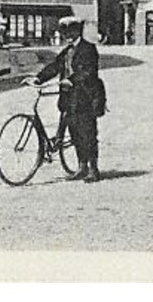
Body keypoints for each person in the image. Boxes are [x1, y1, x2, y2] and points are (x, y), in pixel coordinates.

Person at [32, 15, 104, 182]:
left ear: (78, 31)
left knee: (88, 133)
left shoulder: (89, 49)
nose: (68, 36)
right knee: (74, 133)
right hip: (69, 99)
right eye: (65, 32)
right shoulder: (66, 51)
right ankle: (81, 167)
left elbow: (88, 72)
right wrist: (38, 78)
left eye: (70, 32)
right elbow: (55, 67)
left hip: (86, 97)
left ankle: (93, 169)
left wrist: (70, 80)